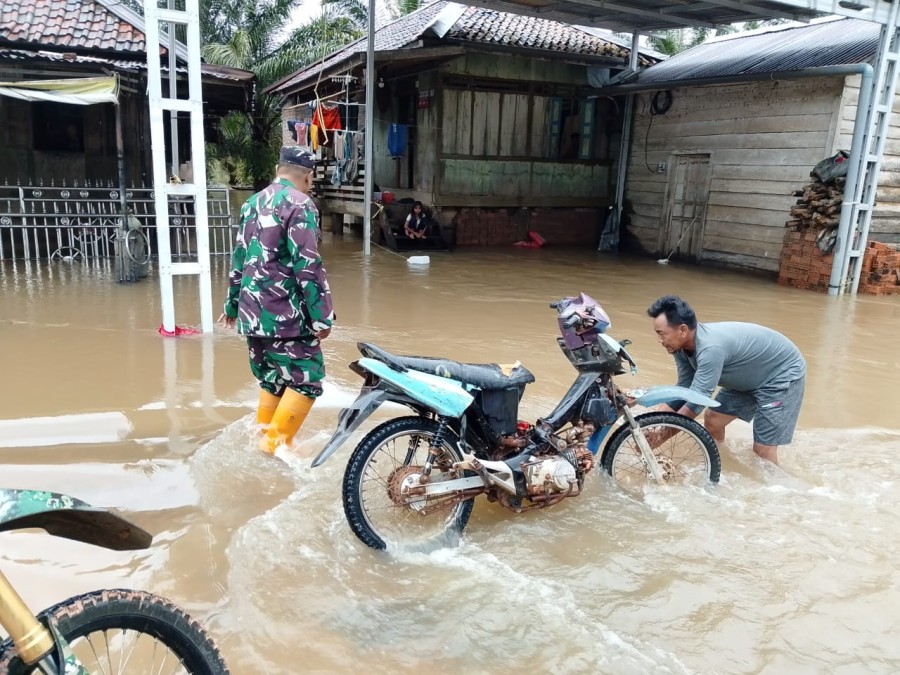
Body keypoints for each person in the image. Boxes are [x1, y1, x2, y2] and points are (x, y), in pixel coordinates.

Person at [218, 146, 335, 455]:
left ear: (277, 168)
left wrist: (231, 306)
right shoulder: (301, 204)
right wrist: (322, 316)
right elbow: (307, 266)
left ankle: (263, 443)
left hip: (251, 314)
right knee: (307, 380)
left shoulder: (251, 203)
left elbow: (239, 259)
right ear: (308, 176)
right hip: (287, 317)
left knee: (272, 380)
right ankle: (273, 449)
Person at [646, 295, 806, 465]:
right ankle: (719, 464)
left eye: (662, 334)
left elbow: (696, 402)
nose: (659, 340)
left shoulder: (710, 349)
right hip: (749, 372)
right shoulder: (679, 346)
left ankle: (780, 488)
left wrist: (660, 437)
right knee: (713, 419)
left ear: (683, 330)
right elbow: (685, 388)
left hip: (780, 374)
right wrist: (653, 421)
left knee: (762, 451)